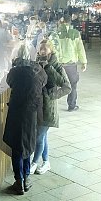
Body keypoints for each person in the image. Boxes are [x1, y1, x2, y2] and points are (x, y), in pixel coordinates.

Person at [2, 56, 45, 195]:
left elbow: (9, 82)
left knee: (17, 147)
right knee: (28, 145)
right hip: (32, 114)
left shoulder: (15, 72)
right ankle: (26, 178)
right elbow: (44, 82)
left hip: (17, 112)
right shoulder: (39, 71)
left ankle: (18, 181)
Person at [31, 39, 70, 175]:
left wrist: (52, 95)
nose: (42, 51)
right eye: (41, 49)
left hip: (47, 107)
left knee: (39, 136)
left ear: (51, 50)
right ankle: (46, 162)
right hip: (36, 105)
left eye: (45, 49)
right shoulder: (35, 64)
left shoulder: (57, 66)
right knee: (42, 136)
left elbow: (67, 87)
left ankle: (34, 162)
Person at [54, 18, 87, 111]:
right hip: (71, 65)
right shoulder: (75, 33)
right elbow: (80, 48)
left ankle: (52, 105)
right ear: (69, 22)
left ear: (60, 23)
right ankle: (71, 105)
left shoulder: (55, 33)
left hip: (58, 64)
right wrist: (84, 61)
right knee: (72, 85)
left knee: (54, 85)